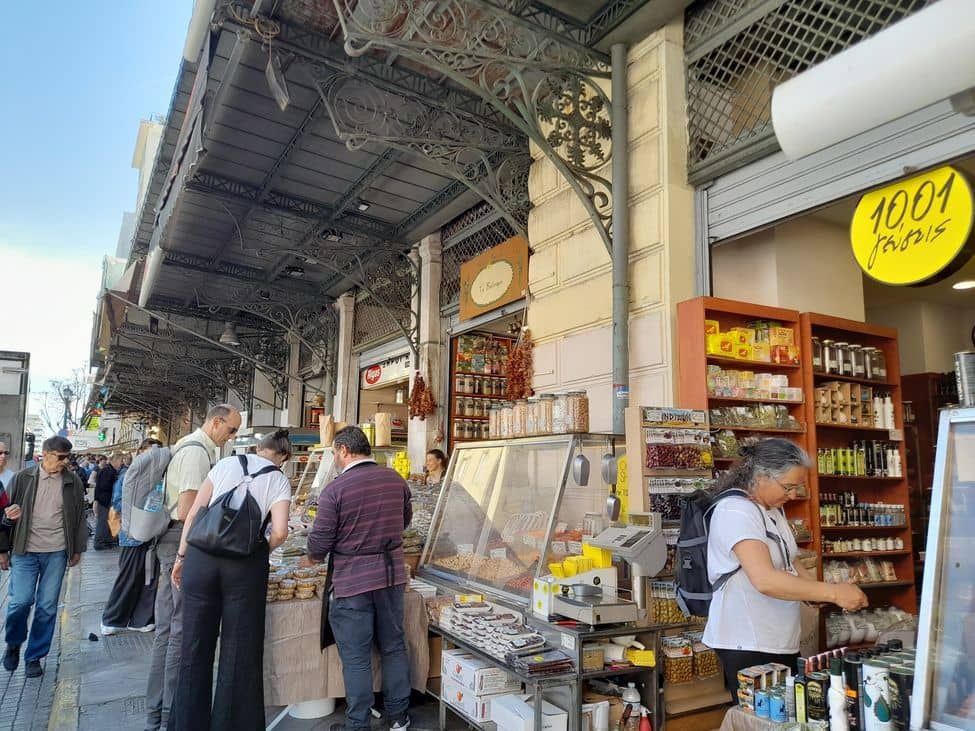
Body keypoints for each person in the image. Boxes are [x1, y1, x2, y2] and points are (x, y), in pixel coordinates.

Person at [702, 438, 869, 699]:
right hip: (748, 640)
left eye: (797, 488)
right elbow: (765, 579)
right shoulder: (736, 511)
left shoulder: (773, 509)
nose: (792, 495)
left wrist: (812, 593)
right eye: (788, 487)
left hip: (779, 638)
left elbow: (790, 559)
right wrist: (833, 592)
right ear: (761, 477)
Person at [168, 430, 292, 730]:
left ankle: (186, 724)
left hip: (201, 559)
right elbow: (279, 532)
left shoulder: (224, 464)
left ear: (257, 447)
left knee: (194, 644)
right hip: (244, 568)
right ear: (283, 457)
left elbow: (196, 512)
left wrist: (182, 556)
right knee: (240, 649)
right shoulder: (278, 479)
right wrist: (259, 550)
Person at [303, 426, 413, 731]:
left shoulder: (336, 490)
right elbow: (404, 521)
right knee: (393, 647)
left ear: (343, 450)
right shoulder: (396, 480)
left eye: (336, 453)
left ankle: (357, 724)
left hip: (352, 583)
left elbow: (320, 542)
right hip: (391, 578)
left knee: (356, 657)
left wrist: (312, 556)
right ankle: (399, 717)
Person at [145, 404, 241, 731]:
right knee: (179, 629)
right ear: (216, 422)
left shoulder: (193, 448)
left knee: (169, 628)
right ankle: (173, 712)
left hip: (173, 541)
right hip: (180, 541)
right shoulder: (197, 453)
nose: (233, 436)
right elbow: (188, 510)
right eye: (231, 430)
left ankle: (159, 713)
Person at [0, 436, 87, 677]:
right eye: (60, 457)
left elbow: (80, 516)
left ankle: (34, 656)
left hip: (57, 552)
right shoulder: (22, 479)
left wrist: (78, 548)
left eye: (68, 457)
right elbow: (3, 515)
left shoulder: (72, 482)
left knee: (47, 607)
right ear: (45, 454)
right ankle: (14, 643)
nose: (64, 462)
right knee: (20, 602)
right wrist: (2, 549)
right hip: (24, 550)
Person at [101, 440, 163, 635]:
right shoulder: (129, 475)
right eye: (147, 452)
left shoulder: (155, 476)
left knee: (148, 577)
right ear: (139, 452)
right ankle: (112, 618)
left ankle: (141, 619)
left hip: (150, 534)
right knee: (128, 577)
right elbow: (119, 503)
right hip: (133, 534)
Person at [94, 453, 120, 550]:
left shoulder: (109, 470)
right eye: (120, 461)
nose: (121, 463)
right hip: (105, 500)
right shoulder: (108, 471)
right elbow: (104, 486)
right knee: (103, 522)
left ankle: (107, 540)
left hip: (105, 499)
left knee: (108, 520)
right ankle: (100, 542)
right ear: (115, 461)